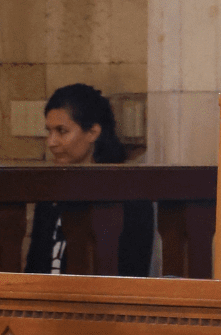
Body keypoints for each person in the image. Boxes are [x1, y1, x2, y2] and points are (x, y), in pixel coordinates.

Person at [24, 84, 154, 276]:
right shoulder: (52, 191)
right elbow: (35, 265)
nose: (51, 142)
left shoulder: (128, 194)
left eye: (62, 131)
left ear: (93, 132)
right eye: (49, 131)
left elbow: (133, 268)